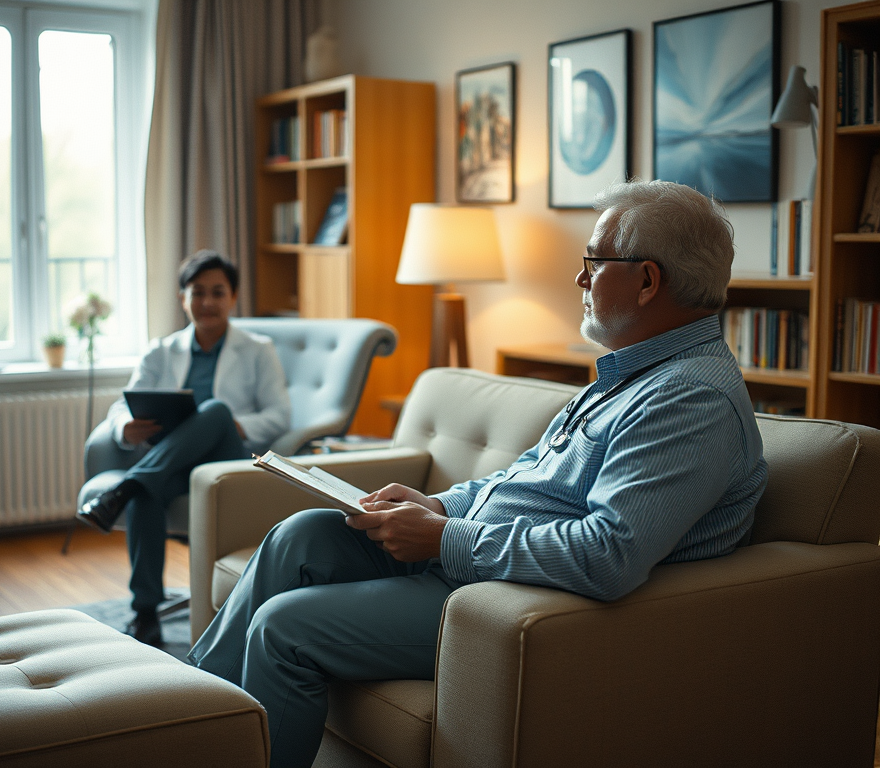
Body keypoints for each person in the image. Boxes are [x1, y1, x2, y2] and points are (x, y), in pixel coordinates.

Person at [187, 180, 769, 768]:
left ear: (647, 280)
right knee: (302, 536)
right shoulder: (628, 375)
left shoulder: (689, 401)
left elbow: (609, 555)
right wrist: (439, 506)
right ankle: (178, 714)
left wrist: (444, 537)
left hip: (507, 596)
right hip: (474, 555)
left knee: (284, 627)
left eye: (593, 261)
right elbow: (524, 480)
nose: (580, 278)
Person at [77, 250, 290, 645]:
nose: (207, 302)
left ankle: (124, 487)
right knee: (145, 493)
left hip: (227, 460)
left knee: (215, 410)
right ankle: (145, 612)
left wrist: (226, 423)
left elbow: (279, 416)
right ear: (183, 298)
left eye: (217, 292)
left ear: (233, 297)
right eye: (197, 293)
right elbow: (123, 404)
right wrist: (127, 426)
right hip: (173, 464)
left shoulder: (258, 349)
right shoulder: (161, 350)